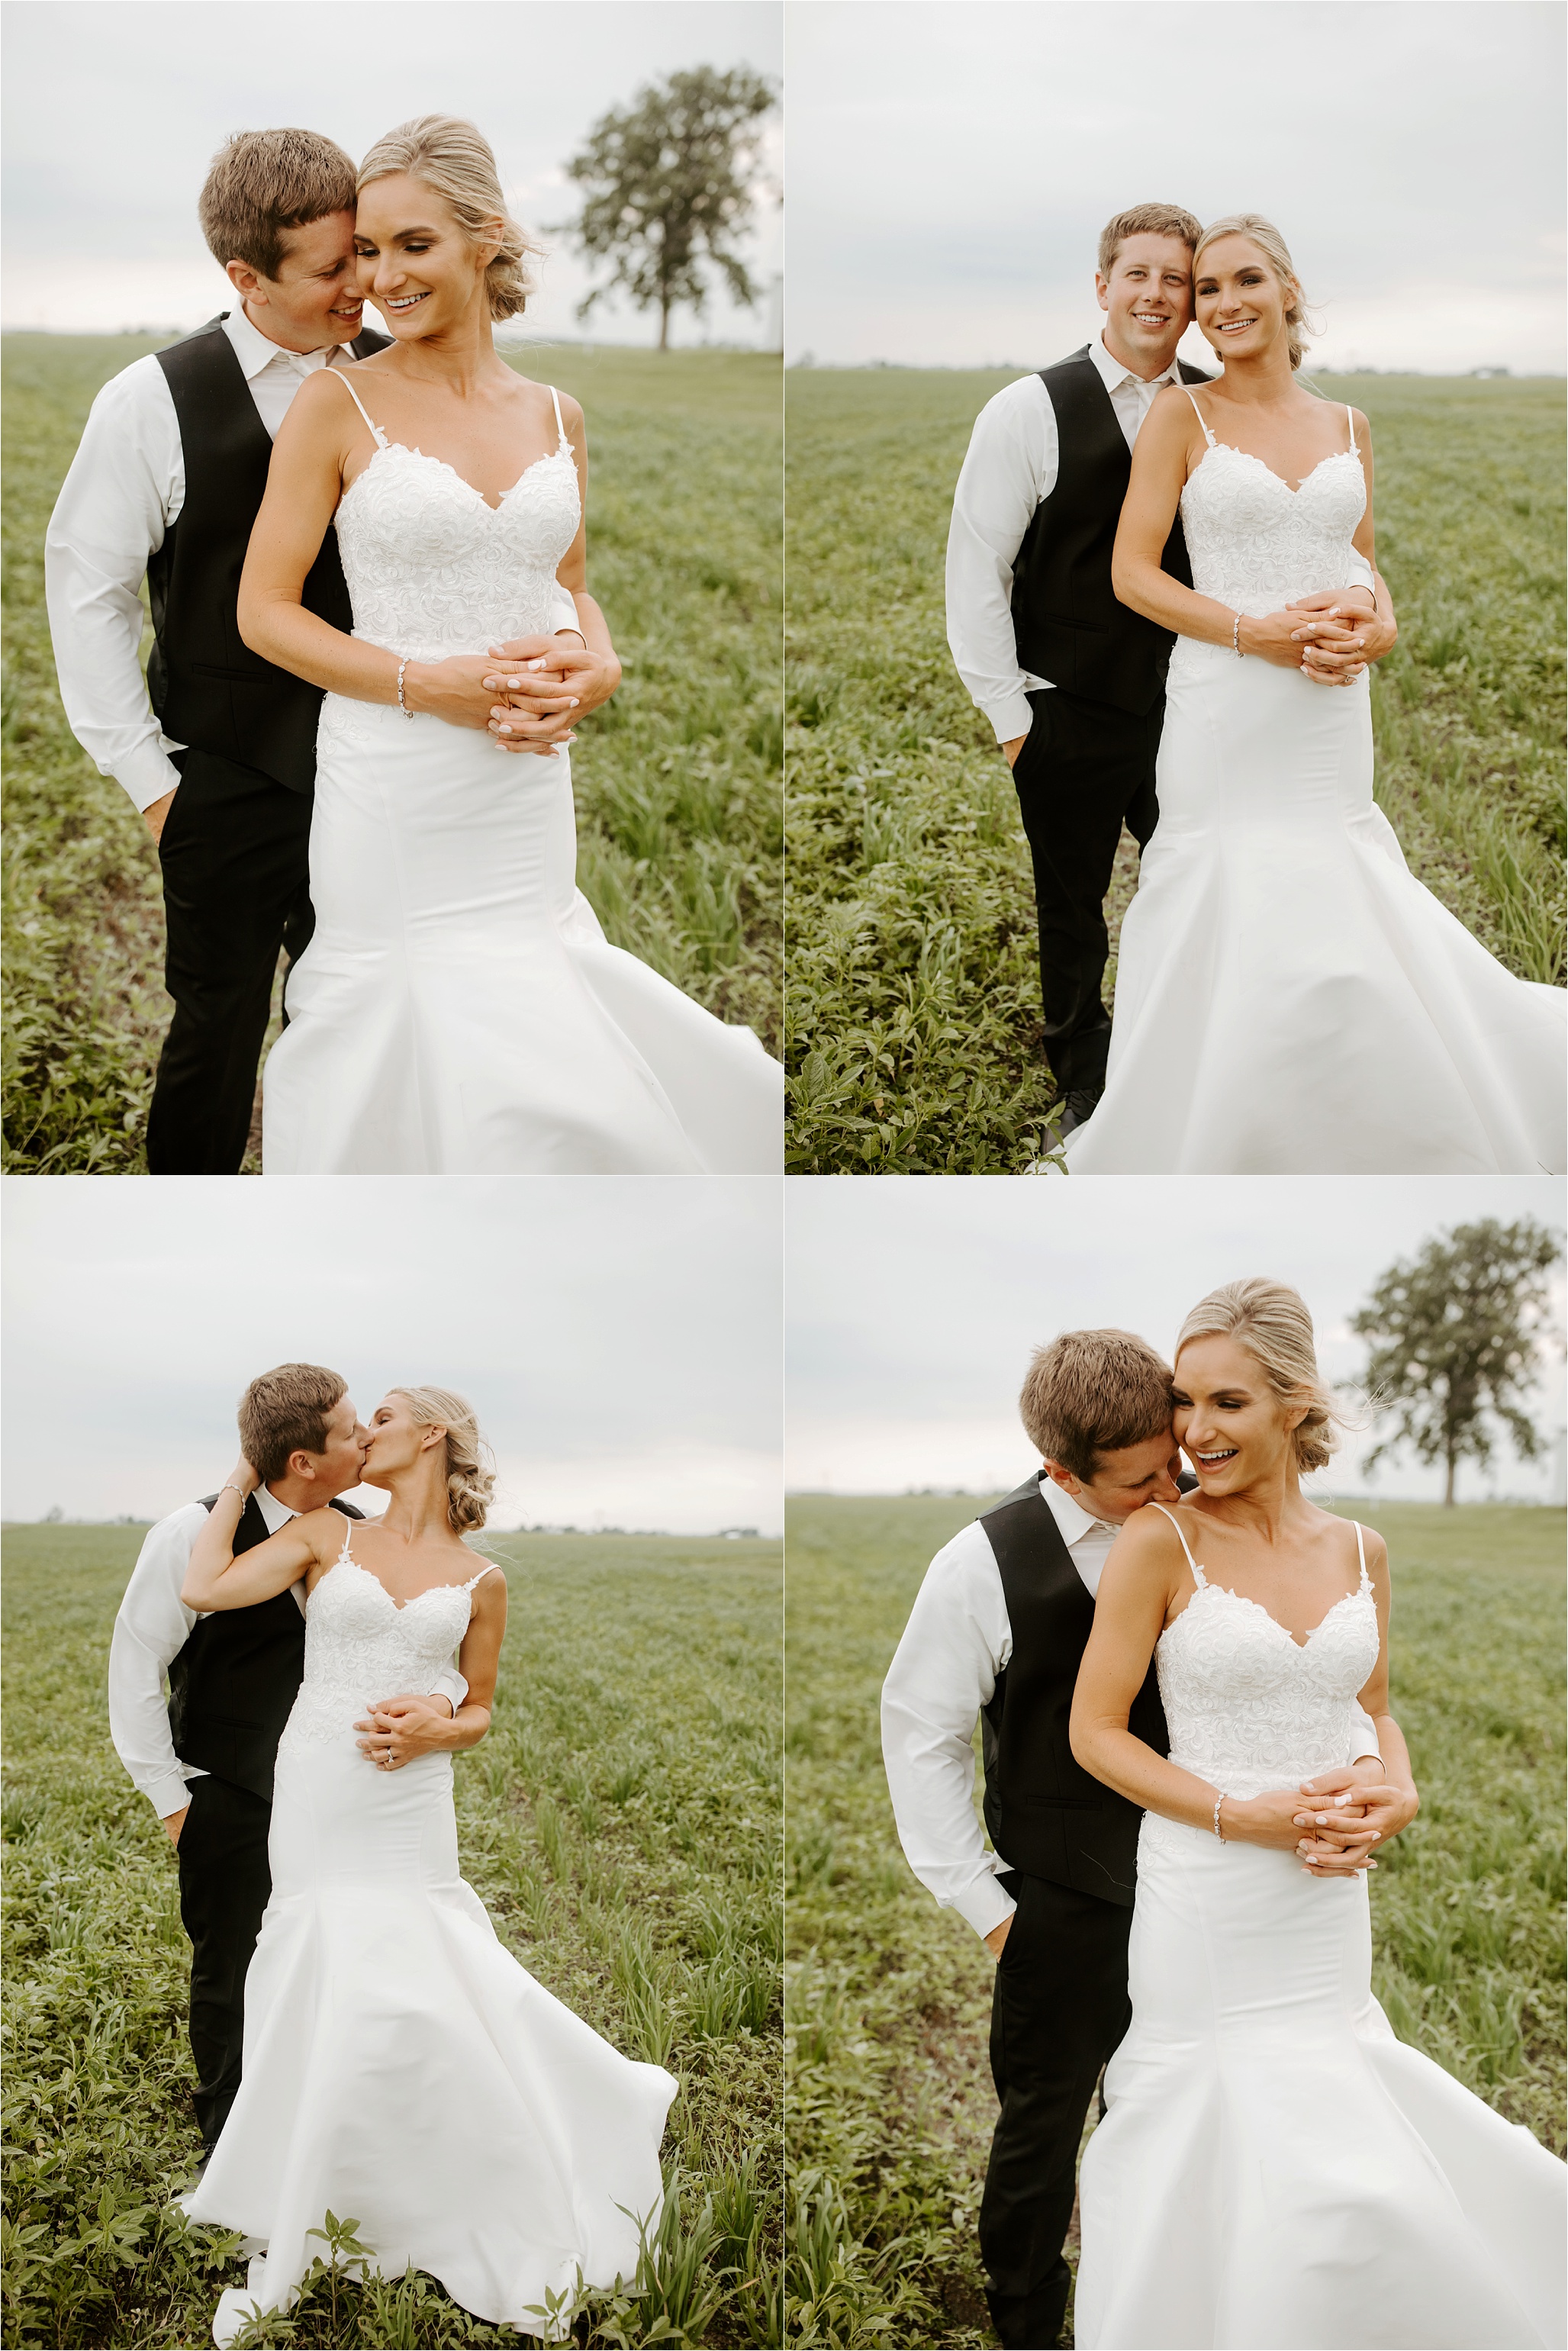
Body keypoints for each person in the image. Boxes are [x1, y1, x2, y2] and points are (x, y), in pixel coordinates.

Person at [238, 113, 783, 1173]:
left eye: (412, 245)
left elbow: (568, 583)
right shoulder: (334, 401)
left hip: (524, 788)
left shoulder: (556, 414)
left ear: (486, 237)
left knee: (539, 1016)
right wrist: (419, 683)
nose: (381, 278)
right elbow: (264, 611)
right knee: (415, 1026)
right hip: (394, 784)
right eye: (366, 252)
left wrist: (603, 663)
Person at [44, 127, 594, 1175]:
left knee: (365, 1024)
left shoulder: (406, 372)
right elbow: (90, 598)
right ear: (246, 276)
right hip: (231, 776)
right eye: (339, 266)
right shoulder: (149, 403)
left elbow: (534, 563)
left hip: (393, 782)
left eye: (375, 252)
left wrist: (578, 653)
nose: (368, 288)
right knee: (215, 1029)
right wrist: (154, 785)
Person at [881, 1328, 1409, 2351]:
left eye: (1171, 1460)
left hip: (1216, 1896)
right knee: (1041, 2137)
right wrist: (992, 1915)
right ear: (1057, 1469)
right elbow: (921, 1740)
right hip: (1063, 1903)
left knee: (1196, 2120)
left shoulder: (1195, 1526)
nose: (1168, 1487)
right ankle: (1029, 2325)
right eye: (1136, 1481)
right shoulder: (979, 1563)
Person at [1071, 1279, 1566, 2349]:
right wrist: (1232, 1815)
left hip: (1325, 1906)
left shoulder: (1360, 1551)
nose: (1193, 1431)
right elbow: (1095, 1733)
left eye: (1226, 1404)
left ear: (1294, 1406)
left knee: (1340, 2149)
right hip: (1206, 1897)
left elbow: (1369, 1706)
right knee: (1218, 2131)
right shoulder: (1159, 1540)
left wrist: (1396, 1791)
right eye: (1183, 1401)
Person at [1065, 214, 1566, 1174]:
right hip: (1227, 701)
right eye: (1207, 291)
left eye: (1244, 281)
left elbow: (1362, 560)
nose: (1223, 305)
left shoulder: (1348, 425)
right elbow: (1135, 574)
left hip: (1332, 707)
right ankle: (1220, 1113)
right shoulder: (1185, 415)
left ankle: (1368, 1094)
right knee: (1225, 885)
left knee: (1342, 879)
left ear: (1290, 292)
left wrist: (1380, 624)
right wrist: (1257, 633)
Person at [179, 1384, 676, 2346]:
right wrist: (243, 1477)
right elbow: (205, 1589)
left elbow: (482, 1705)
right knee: (323, 1959)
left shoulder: (482, 1577)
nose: (363, 1433)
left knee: (421, 1965)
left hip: (410, 1801)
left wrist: (440, 1728)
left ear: (431, 1436)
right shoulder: (326, 1535)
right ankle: (328, 2177)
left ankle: (466, 2161)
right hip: (322, 1782)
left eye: (382, 1419)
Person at [945, 203, 1394, 1142]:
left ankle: (1214, 1061)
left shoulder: (1208, 402)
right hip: (1067, 706)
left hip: (1196, 707)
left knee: (1207, 893)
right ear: (1102, 285)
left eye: (1176, 280)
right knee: (1072, 910)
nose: (1159, 293)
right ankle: (1085, 1083)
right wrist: (1012, 716)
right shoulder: (1028, 408)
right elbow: (976, 569)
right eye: (1138, 274)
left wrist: (1367, 616)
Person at [108, 1363, 465, 2161]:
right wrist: (174, 1799)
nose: (367, 1436)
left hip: (340, 1796)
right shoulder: (188, 1534)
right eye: (350, 1430)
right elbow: (134, 1670)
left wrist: (440, 1704)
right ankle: (230, 2153)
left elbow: (421, 1645)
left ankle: (331, 2135)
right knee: (232, 1971)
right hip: (229, 1793)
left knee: (335, 1958)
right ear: (303, 1460)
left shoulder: (355, 1532)